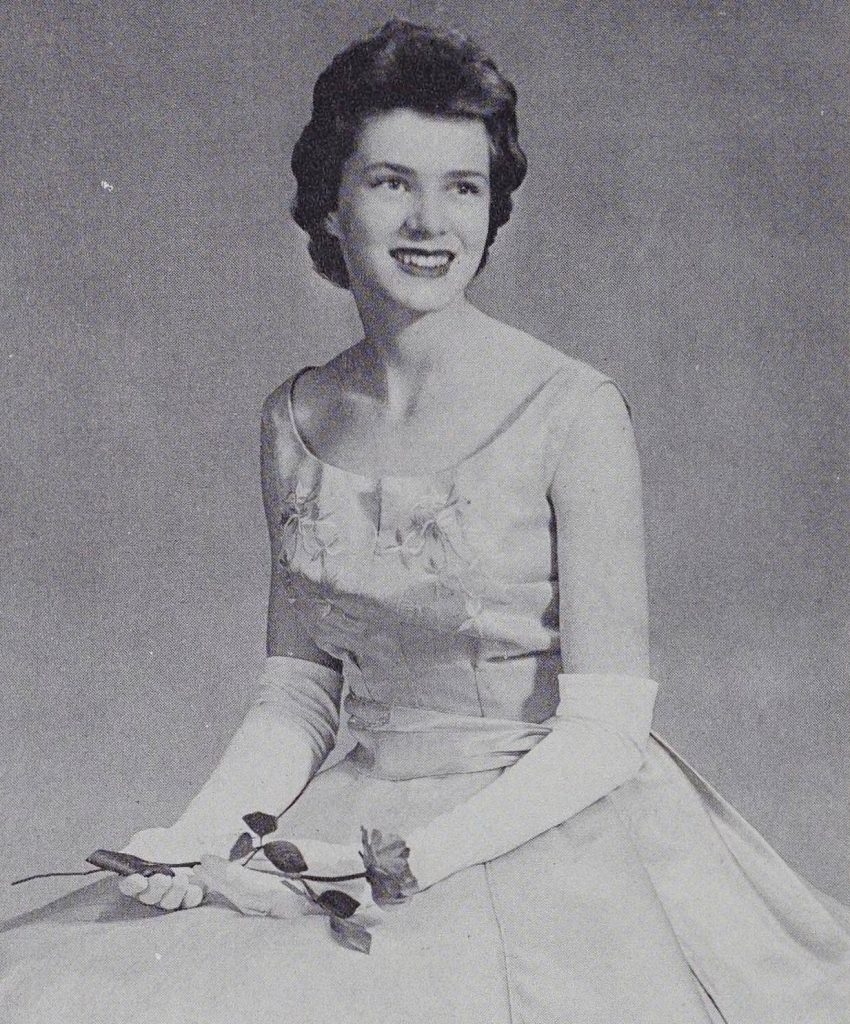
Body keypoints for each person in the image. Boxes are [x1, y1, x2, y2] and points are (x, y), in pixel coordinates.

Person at [2, 19, 849, 1024]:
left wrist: (406, 864)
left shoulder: (571, 412)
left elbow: (607, 731)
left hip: (554, 831)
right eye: (390, 181)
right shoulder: (295, 416)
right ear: (330, 201)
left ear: (493, 213)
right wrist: (194, 834)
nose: (428, 221)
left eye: (462, 187)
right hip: (355, 812)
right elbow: (299, 694)